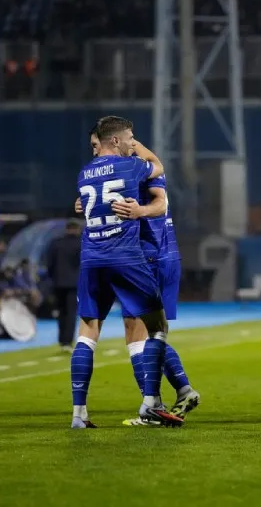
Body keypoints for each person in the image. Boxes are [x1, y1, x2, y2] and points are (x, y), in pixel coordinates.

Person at [71, 115, 182, 428]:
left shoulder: (84, 173)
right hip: (126, 258)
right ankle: (151, 401)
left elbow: (90, 203)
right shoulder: (131, 166)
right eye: (130, 138)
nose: (133, 143)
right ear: (117, 140)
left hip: (91, 259)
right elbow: (157, 165)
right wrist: (139, 148)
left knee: (87, 333)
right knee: (157, 327)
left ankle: (78, 414)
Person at [103, 138, 200, 424]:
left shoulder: (131, 172)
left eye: (97, 145)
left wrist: (137, 212)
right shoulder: (150, 171)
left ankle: (151, 406)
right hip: (167, 254)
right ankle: (182, 390)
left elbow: (156, 205)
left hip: (146, 256)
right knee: (153, 331)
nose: (97, 152)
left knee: (136, 335)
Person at [46, 219, 82, 352]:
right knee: (71, 313)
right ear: (77, 229)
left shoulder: (56, 243)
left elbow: (49, 263)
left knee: (61, 312)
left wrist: (52, 278)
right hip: (74, 283)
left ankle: (62, 341)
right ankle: (68, 341)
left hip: (58, 283)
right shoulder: (81, 243)